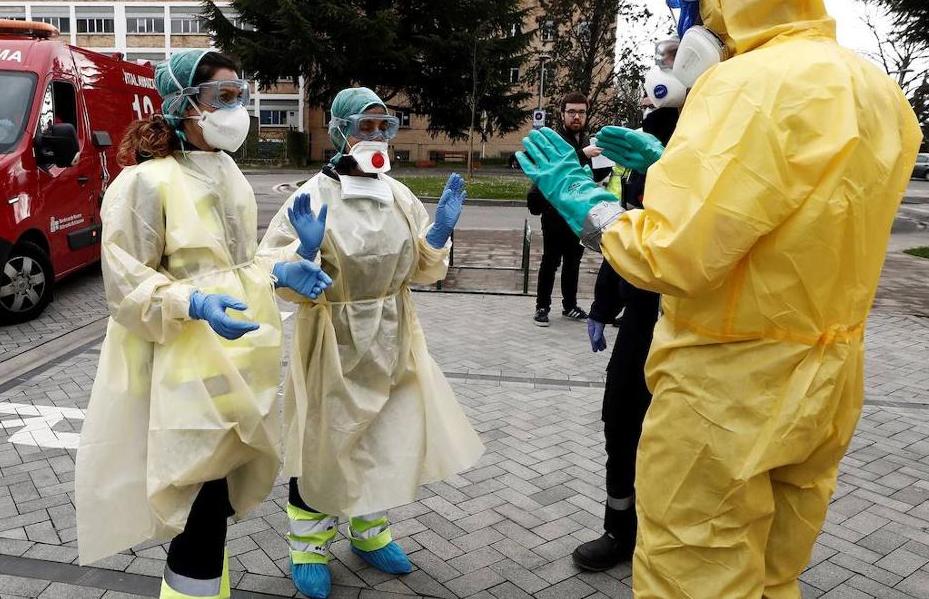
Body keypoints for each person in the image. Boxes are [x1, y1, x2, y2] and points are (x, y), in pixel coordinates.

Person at [516, 0, 921, 597]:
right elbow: (800, 208)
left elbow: (673, 257)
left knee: (696, 573)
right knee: (771, 572)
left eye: (692, 7)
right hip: (826, 376)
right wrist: (678, 163)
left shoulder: (742, 85)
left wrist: (580, 199)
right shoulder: (873, 88)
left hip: (728, 391)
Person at [75, 49, 333, 599]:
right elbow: (125, 281)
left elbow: (240, 265)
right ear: (183, 105)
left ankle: (202, 586)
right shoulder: (145, 183)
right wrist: (192, 305)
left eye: (240, 94)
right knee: (199, 494)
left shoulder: (227, 171)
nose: (236, 108)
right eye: (222, 97)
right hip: (181, 363)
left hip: (235, 359)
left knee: (215, 491)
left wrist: (288, 262)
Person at [260, 87, 484, 599]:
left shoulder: (397, 195)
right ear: (340, 130)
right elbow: (274, 272)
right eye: (366, 126)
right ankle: (308, 546)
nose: (377, 136)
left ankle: (370, 532)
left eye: (385, 126)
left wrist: (439, 233)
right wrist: (306, 251)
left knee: (381, 438)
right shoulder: (312, 195)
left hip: (391, 333)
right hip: (332, 339)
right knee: (322, 442)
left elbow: (422, 270)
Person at [574, 105, 679, 572]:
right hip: (639, 324)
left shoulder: (711, 157)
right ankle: (619, 530)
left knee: (677, 441)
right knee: (620, 425)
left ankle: (669, 540)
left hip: (690, 332)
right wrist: (601, 306)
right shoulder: (642, 161)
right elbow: (627, 238)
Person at [526, 92, 607, 327]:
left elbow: (594, 175)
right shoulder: (554, 140)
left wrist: (604, 163)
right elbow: (557, 168)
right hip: (555, 210)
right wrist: (583, 155)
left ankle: (569, 305)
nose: (576, 116)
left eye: (581, 112)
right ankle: (542, 307)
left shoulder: (587, 141)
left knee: (574, 260)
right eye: (571, 112)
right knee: (551, 261)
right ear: (562, 115)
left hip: (579, 212)